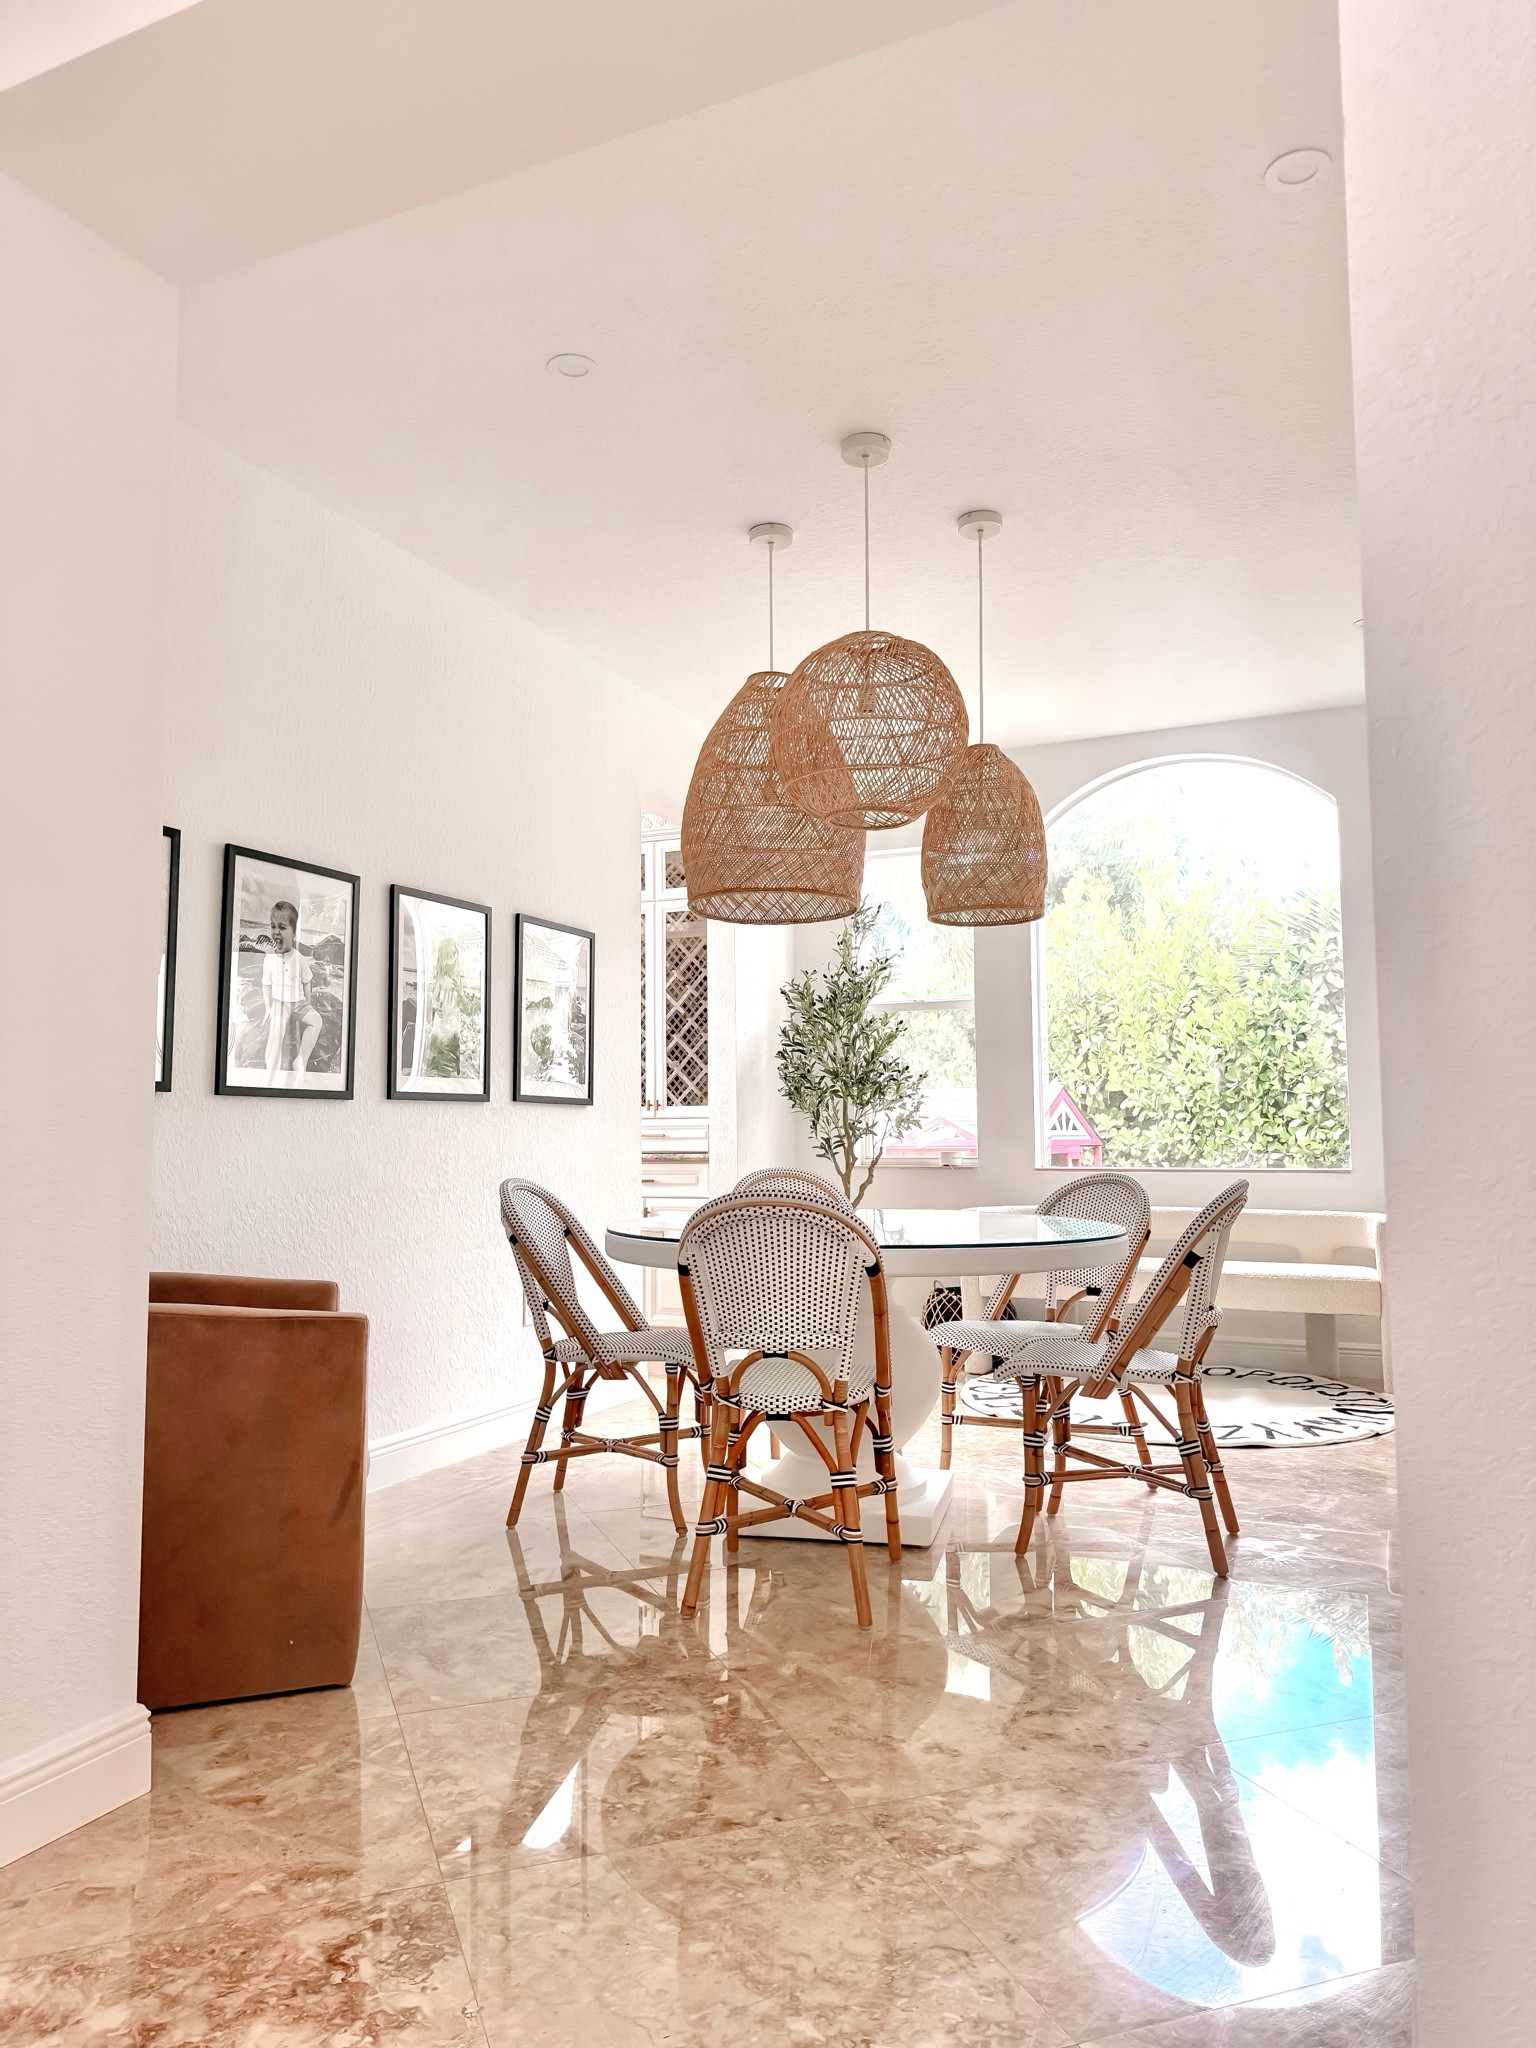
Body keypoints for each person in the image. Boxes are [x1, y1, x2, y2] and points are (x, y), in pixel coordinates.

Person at [262, 900, 322, 1083]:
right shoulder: (269, 960)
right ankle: (271, 1070)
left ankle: (300, 1060)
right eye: (273, 927)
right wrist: (268, 1008)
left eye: (282, 927)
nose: (276, 932)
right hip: (280, 1003)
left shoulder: (300, 959)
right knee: (277, 1029)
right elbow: (266, 984)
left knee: (316, 1021)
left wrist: (308, 1004)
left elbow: (307, 983)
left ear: (294, 933)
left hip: (299, 1003)